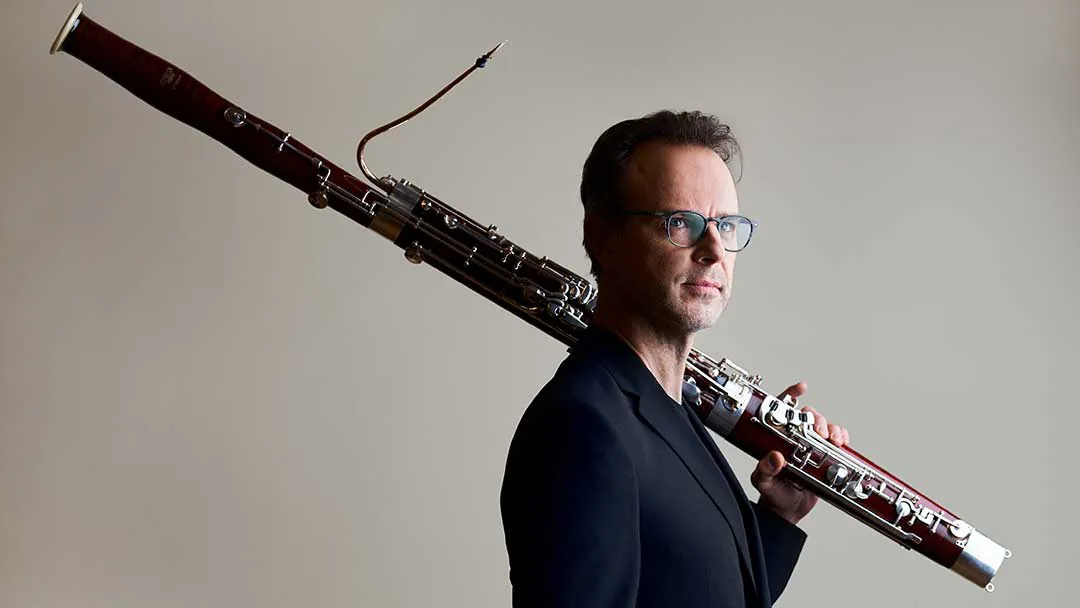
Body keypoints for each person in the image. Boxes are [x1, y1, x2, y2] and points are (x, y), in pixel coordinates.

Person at [499, 110, 850, 607]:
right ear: (602, 238)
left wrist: (780, 516)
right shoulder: (582, 425)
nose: (713, 250)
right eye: (681, 223)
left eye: (725, 226)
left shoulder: (672, 410)